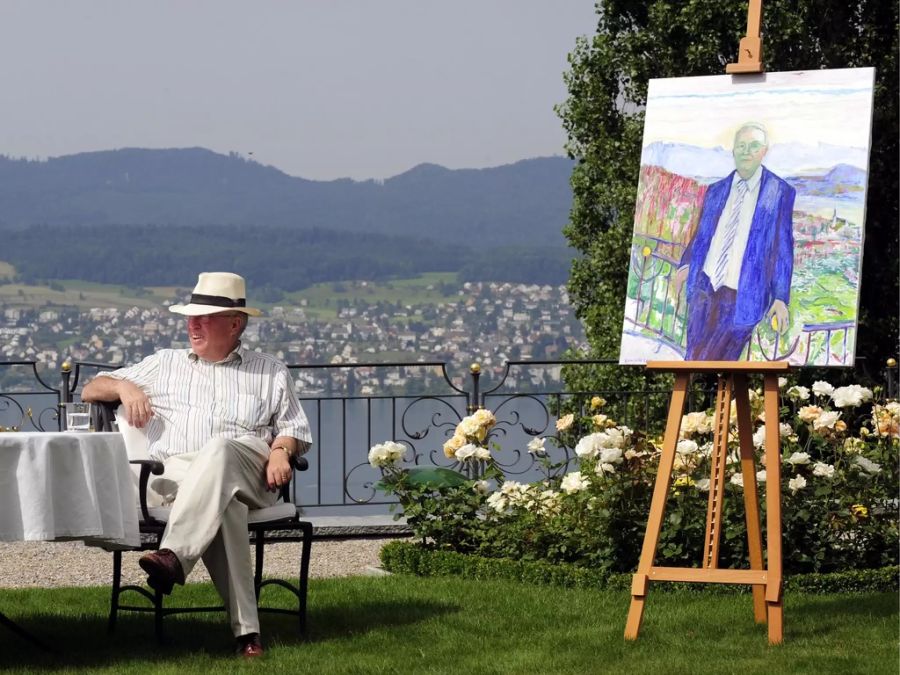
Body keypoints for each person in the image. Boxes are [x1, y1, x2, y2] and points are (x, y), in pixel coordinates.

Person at [82, 272, 311, 658]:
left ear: (235, 324)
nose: (193, 324)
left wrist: (279, 451)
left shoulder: (270, 371)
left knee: (222, 449)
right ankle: (247, 635)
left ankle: (174, 555)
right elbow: (91, 388)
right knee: (226, 505)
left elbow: (294, 429)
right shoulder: (164, 364)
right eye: (190, 317)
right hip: (177, 477)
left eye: (204, 318)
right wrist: (125, 387)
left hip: (250, 471)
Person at [673, 122, 795, 360]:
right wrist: (685, 265)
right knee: (692, 361)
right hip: (703, 288)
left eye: (753, 146)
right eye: (741, 145)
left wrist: (780, 297)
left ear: (764, 151)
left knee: (723, 367)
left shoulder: (779, 191)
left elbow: (783, 249)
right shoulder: (716, 191)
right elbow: (701, 236)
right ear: (733, 150)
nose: (746, 151)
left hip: (743, 296)